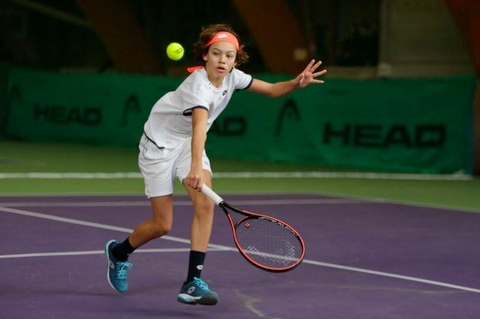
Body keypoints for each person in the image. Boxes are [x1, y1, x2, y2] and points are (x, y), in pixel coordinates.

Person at [104, 23, 326, 306]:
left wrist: (296, 82)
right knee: (162, 225)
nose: (222, 60)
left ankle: (192, 283)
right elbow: (200, 129)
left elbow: (271, 89)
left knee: (205, 204)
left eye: (229, 56)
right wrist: (196, 167)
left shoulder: (233, 77)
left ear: (236, 59)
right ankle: (118, 253)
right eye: (217, 54)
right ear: (205, 56)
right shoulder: (198, 87)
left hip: (187, 143)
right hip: (159, 145)